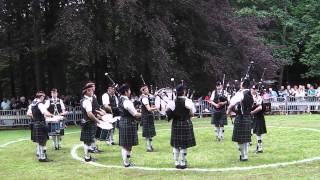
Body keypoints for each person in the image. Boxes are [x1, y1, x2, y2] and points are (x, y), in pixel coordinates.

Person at [166, 84, 196, 169]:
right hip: (185, 123)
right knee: (183, 144)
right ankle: (183, 163)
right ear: (184, 92)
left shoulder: (172, 102)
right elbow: (192, 113)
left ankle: (176, 162)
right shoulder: (188, 101)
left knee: (176, 144)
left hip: (176, 124)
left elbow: (168, 114)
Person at [227, 78, 253, 161]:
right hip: (247, 117)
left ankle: (243, 155)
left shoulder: (241, 93)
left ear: (242, 85)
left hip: (241, 117)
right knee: (245, 139)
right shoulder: (250, 93)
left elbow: (232, 101)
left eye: (241, 84)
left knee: (240, 139)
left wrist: (229, 110)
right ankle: (245, 155)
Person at [80, 83, 106, 162]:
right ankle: (87, 157)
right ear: (87, 91)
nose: (92, 92)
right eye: (91, 90)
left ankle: (87, 157)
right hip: (89, 122)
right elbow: (89, 114)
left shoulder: (84, 100)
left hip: (87, 122)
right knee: (87, 142)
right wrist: (97, 120)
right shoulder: (87, 101)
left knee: (88, 141)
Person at [118, 84, 141, 167]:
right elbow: (135, 114)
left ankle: (126, 162)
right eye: (129, 90)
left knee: (125, 144)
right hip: (128, 123)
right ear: (126, 92)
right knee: (128, 145)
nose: (130, 92)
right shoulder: (127, 101)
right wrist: (143, 114)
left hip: (123, 121)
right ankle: (126, 163)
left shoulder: (120, 99)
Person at [30, 91, 55, 162]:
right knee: (43, 141)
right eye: (43, 97)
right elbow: (45, 112)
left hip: (36, 123)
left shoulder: (33, 104)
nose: (44, 98)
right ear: (41, 97)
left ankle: (41, 156)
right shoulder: (40, 104)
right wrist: (52, 115)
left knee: (40, 142)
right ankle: (42, 157)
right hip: (40, 124)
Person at [140, 84, 158, 152]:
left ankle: (150, 146)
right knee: (148, 134)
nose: (148, 90)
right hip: (146, 117)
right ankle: (148, 147)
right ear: (143, 91)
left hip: (148, 117)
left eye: (148, 89)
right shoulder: (144, 98)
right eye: (147, 89)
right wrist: (156, 108)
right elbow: (149, 109)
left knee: (150, 134)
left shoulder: (146, 97)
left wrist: (153, 108)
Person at [250, 85, 267, 153]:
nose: (253, 90)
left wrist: (252, 112)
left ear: (256, 90)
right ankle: (257, 146)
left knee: (258, 133)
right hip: (254, 117)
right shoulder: (251, 97)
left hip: (258, 116)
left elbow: (260, 108)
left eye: (254, 89)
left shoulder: (259, 97)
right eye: (252, 89)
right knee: (255, 132)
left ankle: (260, 148)